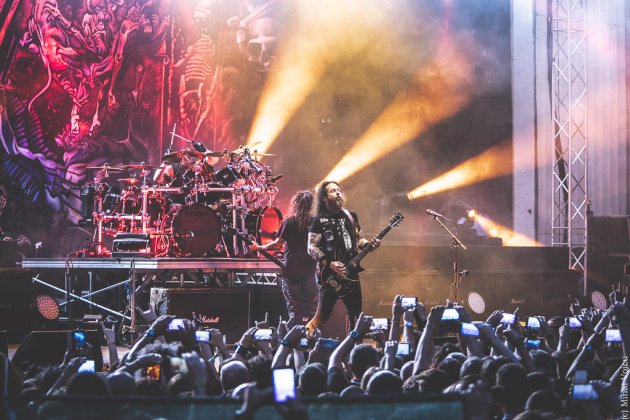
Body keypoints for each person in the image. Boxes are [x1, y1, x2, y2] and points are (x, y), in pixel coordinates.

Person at [305, 181, 380, 333]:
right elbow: (311, 247)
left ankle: (353, 346)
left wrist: (369, 245)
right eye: (333, 191)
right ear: (324, 198)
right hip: (328, 276)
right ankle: (299, 339)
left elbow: (360, 239)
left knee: (356, 317)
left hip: (350, 273)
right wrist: (330, 263)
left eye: (338, 190)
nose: (338, 193)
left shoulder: (351, 216)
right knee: (321, 317)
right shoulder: (318, 220)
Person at [249, 191, 318, 327]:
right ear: (311, 205)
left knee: (294, 311)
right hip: (309, 272)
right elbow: (315, 247)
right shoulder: (315, 222)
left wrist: (259, 247)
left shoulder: (289, 222)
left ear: (295, 204)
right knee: (313, 311)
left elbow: (276, 245)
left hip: (291, 271)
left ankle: (294, 338)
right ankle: (313, 337)